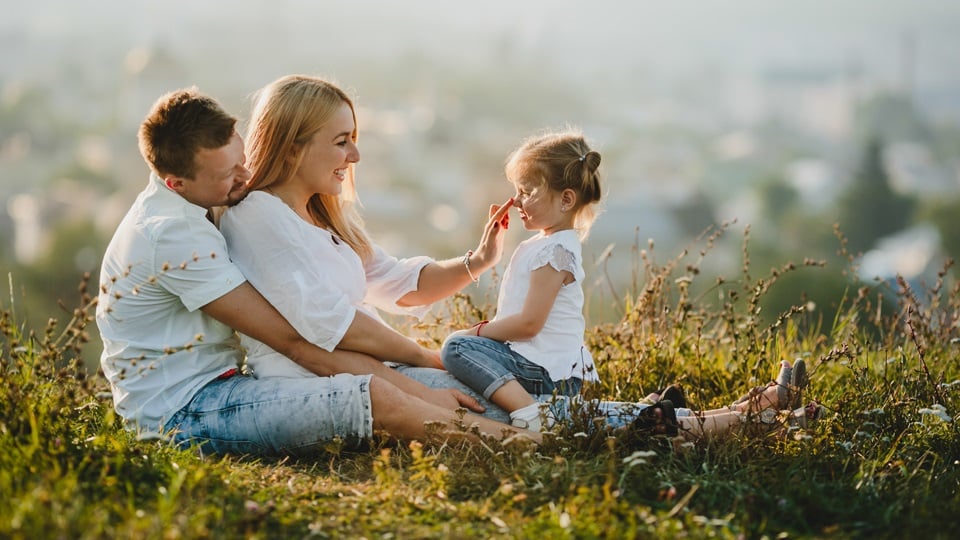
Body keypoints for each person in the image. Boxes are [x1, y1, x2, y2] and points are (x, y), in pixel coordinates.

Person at [219, 74, 823, 442]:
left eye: (355, 136)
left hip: (377, 371)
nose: (356, 155)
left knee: (526, 410)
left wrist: (476, 262)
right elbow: (328, 326)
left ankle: (724, 418)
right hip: (327, 386)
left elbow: (392, 282)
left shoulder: (323, 216)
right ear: (294, 144)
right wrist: (437, 357)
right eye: (341, 140)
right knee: (520, 412)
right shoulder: (259, 217)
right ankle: (731, 419)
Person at [95, 87, 541, 457]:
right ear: (178, 183)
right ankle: (524, 447)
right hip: (184, 410)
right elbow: (293, 340)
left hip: (229, 386)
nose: (245, 177)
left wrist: (476, 262)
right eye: (228, 174)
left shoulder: (201, 208)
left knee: (462, 388)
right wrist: (422, 373)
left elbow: (389, 280)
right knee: (372, 396)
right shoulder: (173, 234)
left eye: (242, 159)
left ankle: (549, 429)